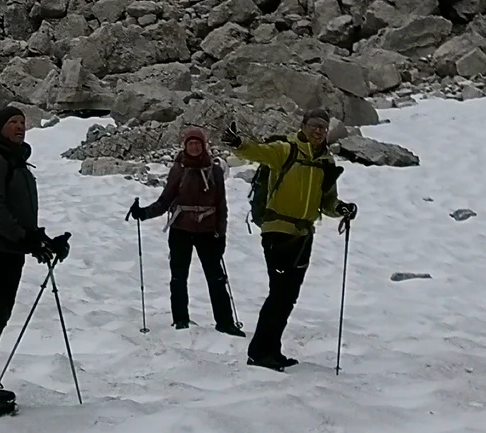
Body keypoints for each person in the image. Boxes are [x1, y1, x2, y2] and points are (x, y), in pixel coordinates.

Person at [231, 107, 357, 370]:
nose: (318, 130)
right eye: (313, 125)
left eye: (323, 127)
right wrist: (238, 143)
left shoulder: (325, 162)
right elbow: (257, 152)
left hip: (304, 235)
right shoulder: (285, 150)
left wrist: (342, 209)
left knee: (287, 296)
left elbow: (327, 202)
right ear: (303, 125)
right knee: (280, 293)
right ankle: (259, 352)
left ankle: (270, 350)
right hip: (277, 230)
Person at [0, 104, 69, 417]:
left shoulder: (14, 160)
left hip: (8, 250)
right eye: (13, 122)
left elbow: (17, 214)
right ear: (0, 126)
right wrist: (26, 239)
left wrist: (42, 243)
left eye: (23, 122)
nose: (20, 127)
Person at [129, 126, 242, 336]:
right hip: (181, 229)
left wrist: (221, 233)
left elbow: (221, 205)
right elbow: (165, 200)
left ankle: (225, 322)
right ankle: (181, 320)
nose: (194, 147)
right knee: (179, 276)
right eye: (191, 144)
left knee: (216, 277)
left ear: (203, 146)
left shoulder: (214, 170)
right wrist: (144, 213)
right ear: (185, 146)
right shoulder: (179, 169)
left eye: (197, 143)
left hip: (208, 231)